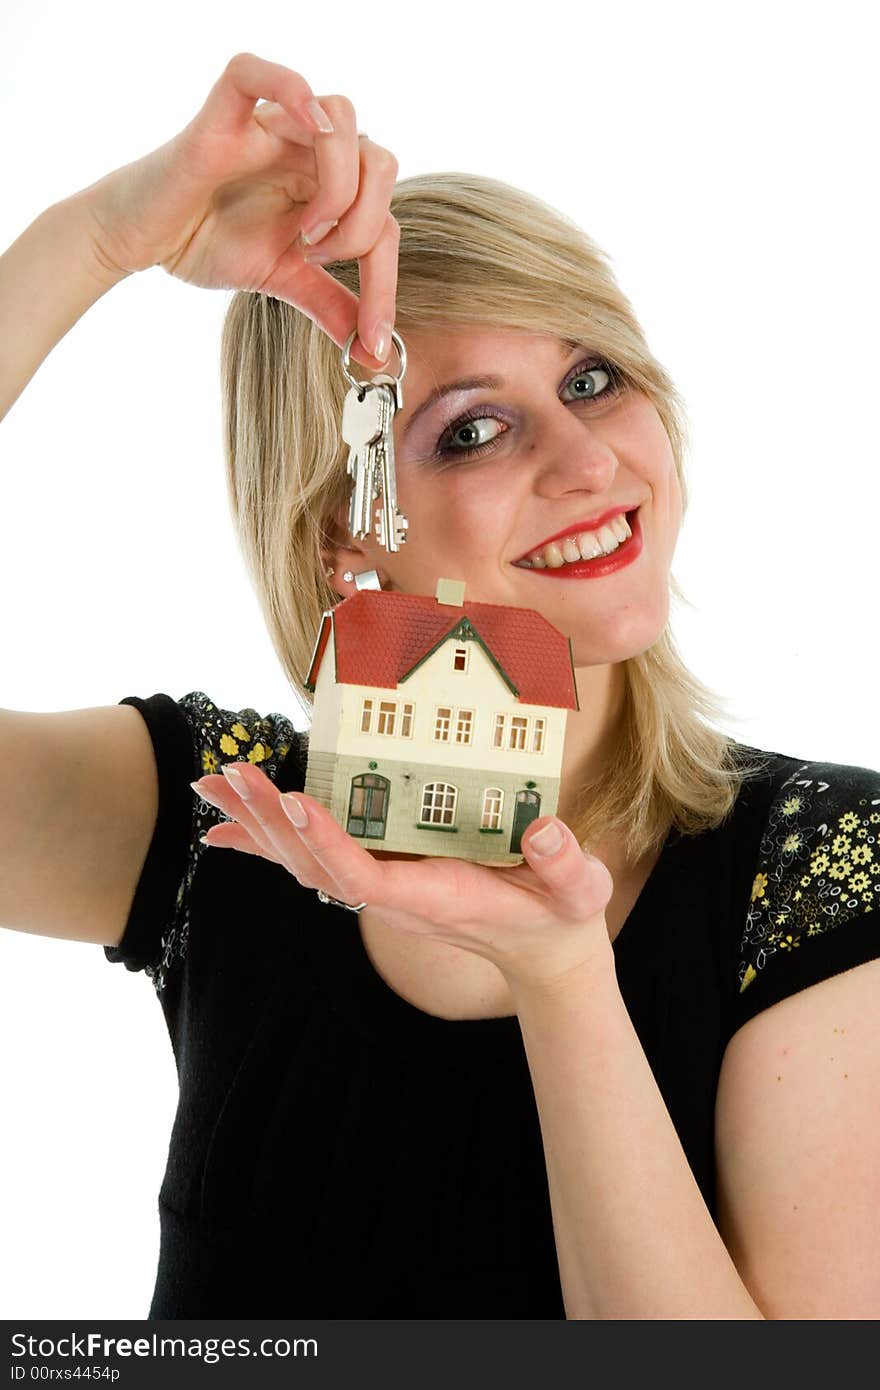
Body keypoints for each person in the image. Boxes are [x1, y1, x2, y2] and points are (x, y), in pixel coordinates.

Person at [2, 50, 878, 1321]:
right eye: (472, 427)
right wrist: (92, 240)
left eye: (592, 379)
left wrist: (564, 975)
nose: (587, 458)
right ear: (340, 539)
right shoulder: (223, 817)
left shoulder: (819, 873)